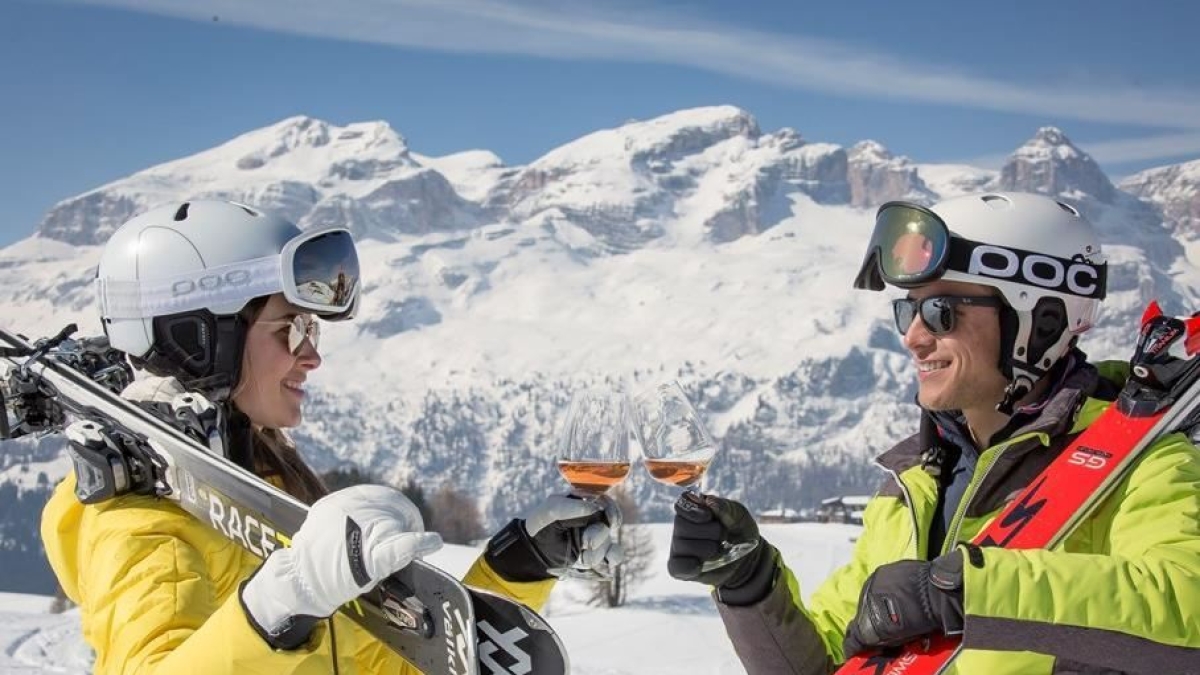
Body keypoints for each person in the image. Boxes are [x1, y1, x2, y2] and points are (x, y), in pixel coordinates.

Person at [41, 200, 620, 674]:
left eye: (312, 328)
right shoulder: (144, 521)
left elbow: (380, 666)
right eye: (291, 328)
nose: (313, 355)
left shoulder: (263, 483)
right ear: (200, 339)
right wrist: (278, 606)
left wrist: (515, 567)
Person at [668, 192, 1200, 673]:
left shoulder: (1144, 464)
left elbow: (1187, 606)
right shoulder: (914, 486)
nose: (915, 338)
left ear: (1039, 322)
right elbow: (828, 662)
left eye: (941, 311)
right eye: (909, 311)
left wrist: (962, 591)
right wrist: (750, 584)